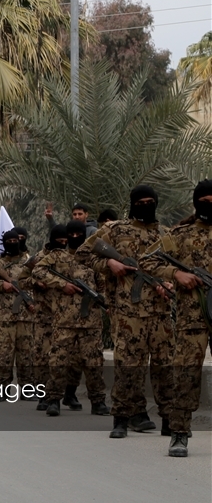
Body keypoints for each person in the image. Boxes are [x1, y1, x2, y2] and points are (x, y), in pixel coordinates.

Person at [76, 184, 173, 439]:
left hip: (161, 313)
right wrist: (110, 263)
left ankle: (169, 419)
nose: (146, 205)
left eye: (150, 201)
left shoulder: (166, 234)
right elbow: (83, 254)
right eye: (140, 201)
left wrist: (170, 283)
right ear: (132, 204)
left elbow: (178, 268)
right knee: (128, 367)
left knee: (165, 367)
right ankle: (122, 417)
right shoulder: (114, 230)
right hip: (127, 313)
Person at [139, 179, 212, 457]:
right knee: (185, 376)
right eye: (204, 200)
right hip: (192, 319)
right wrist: (177, 274)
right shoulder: (181, 235)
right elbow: (147, 260)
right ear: (196, 203)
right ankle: (179, 434)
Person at [35, 220, 109, 417]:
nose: (75, 238)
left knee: (94, 363)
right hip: (64, 321)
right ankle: (53, 399)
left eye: (79, 234)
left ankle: (98, 401)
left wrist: (105, 302)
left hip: (91, 321)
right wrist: (61, 284)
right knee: (58, 361)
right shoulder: (57, 256)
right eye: (72, 234)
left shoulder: (92, 258)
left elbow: (102, 286)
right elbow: (38, 271)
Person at [0, 230, 37, 395]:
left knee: (26, 354)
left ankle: (27, 388)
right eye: (9, 240)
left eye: (15, 240)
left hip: (26, 316)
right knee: (5, 353)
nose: (13, 243)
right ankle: (2, 387)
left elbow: (40, 280)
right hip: (5, 318)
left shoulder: (28, 262)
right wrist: (0, 285)